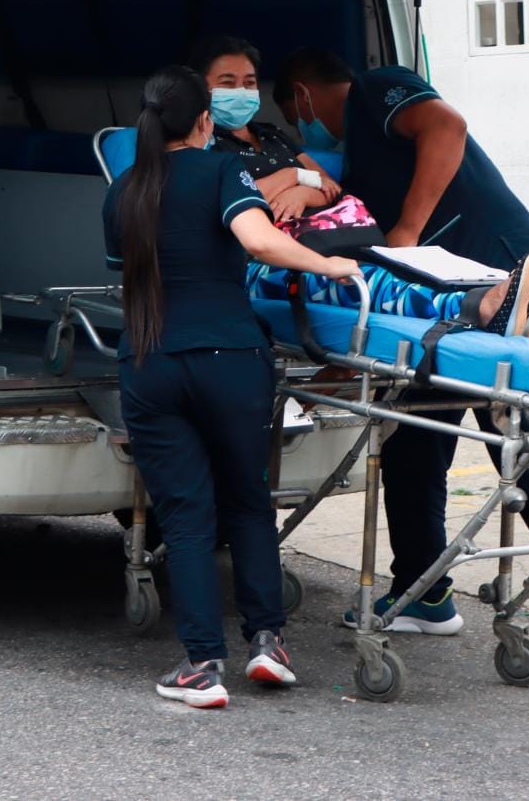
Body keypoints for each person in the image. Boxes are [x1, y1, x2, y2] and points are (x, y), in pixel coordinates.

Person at [271, 48, 529, 674]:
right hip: (435, 314)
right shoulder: (355, 157)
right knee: (411, 447)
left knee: (526, 449)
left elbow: (446, 127)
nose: (306, 130)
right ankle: (424, 592)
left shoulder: (377, 89)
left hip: (498, 272)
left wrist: (407, 231)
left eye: (299, 119)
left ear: (302, 95)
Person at [101, 65, 362, 708]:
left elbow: (126, 275)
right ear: (203, 121)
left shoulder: (123, 190)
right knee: (246, 501)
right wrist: (329, 263)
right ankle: (267, 643)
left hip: (152, 364)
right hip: (230, 360)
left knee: (186, 517)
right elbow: (259, 241)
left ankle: (201, 666)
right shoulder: (222, 170)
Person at [193, 35, 342, 221]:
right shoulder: (200, 142)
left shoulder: (272, 133)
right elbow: (224, 203)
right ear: (199, 88)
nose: (241, 91)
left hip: (324, 231)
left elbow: (331, 188)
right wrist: (292, 175)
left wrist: (303, 195)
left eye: (249, 83)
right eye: (227, 83)